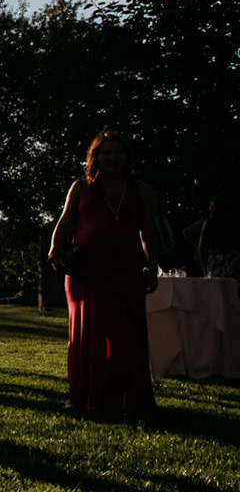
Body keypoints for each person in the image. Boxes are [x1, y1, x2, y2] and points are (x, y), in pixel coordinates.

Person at [49, 130, 160, 421]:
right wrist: (55, 252)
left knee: (128, 335)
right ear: (95, 157)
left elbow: (149, 232)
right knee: (87, 335)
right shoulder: (81, 187)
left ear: (127, 157)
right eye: (106, 152)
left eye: (118, 152)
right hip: (86, 271)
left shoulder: (142, 192)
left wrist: (152, 266)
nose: (112, 158)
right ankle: (85, 399)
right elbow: (65, 222)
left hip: (126, 270)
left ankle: (130, 402)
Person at [200, 181, 238, 280]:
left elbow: (202, 247)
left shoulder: (209, 223)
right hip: (232, 261)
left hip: (216, 262)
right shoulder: (232, 222)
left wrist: (204, 268)